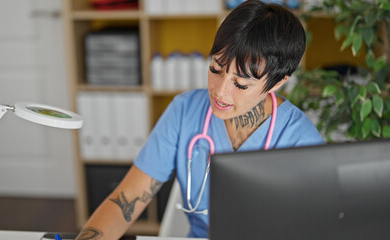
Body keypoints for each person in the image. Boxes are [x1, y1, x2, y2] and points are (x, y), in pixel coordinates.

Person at [76, 0, 325, 239]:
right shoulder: (185, 111)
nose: (220, 91)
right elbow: (127, 198)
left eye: (240, 84)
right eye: (215, 69)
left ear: (279, 82)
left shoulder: (300, 139)